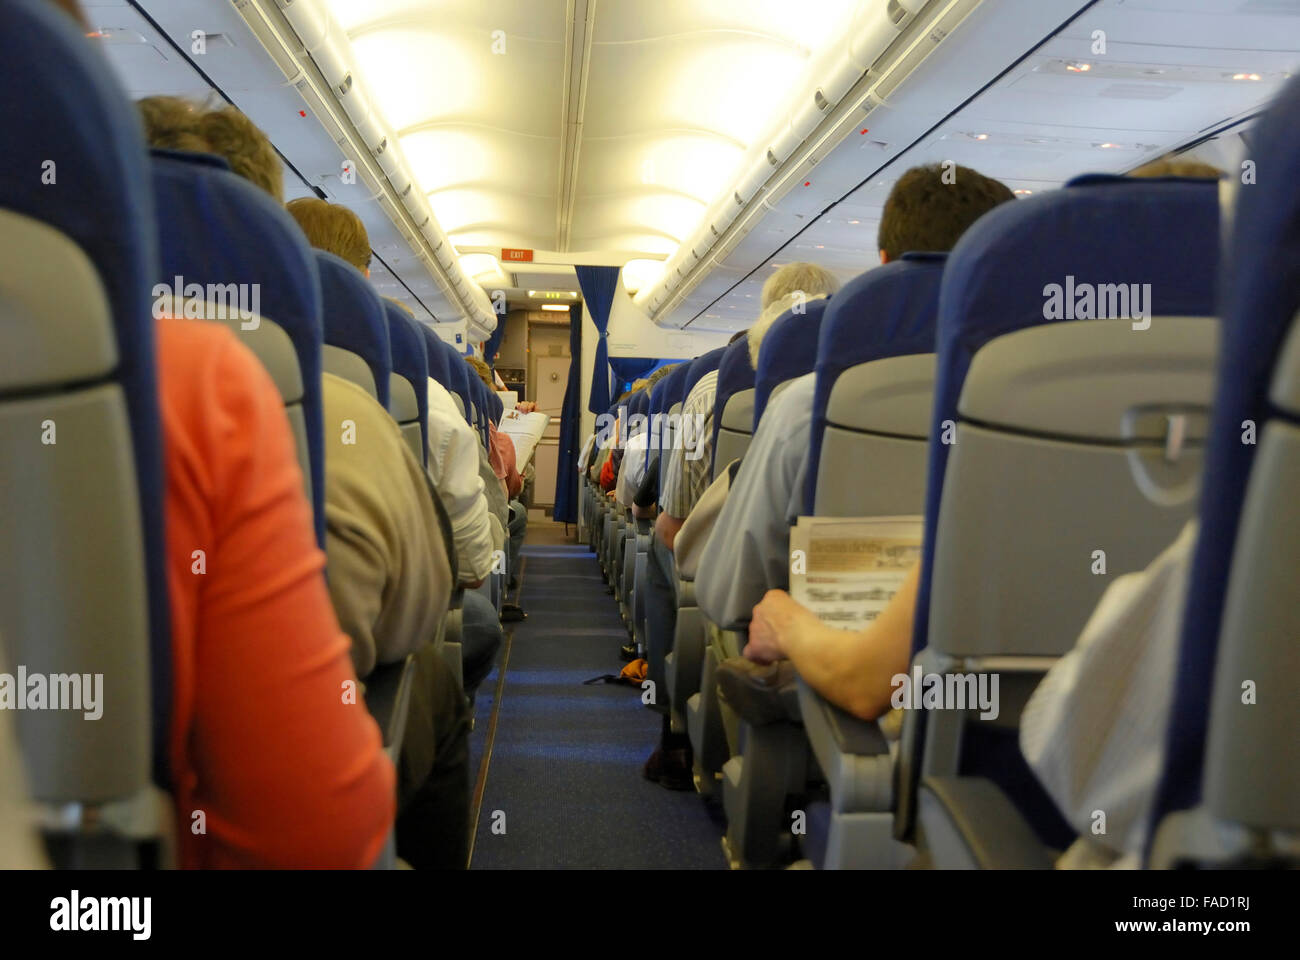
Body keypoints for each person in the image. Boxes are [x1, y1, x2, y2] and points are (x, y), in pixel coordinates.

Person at [696, 165, 1015, 634]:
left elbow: (728, 595)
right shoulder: (1064, 406)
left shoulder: (807, 406)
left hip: (840, 682)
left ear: (887, 265)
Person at [466, 354, 528, 621]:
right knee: (516, 513)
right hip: (478, 525)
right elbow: (504, 495)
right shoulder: (490, 431)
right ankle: (503, 584)